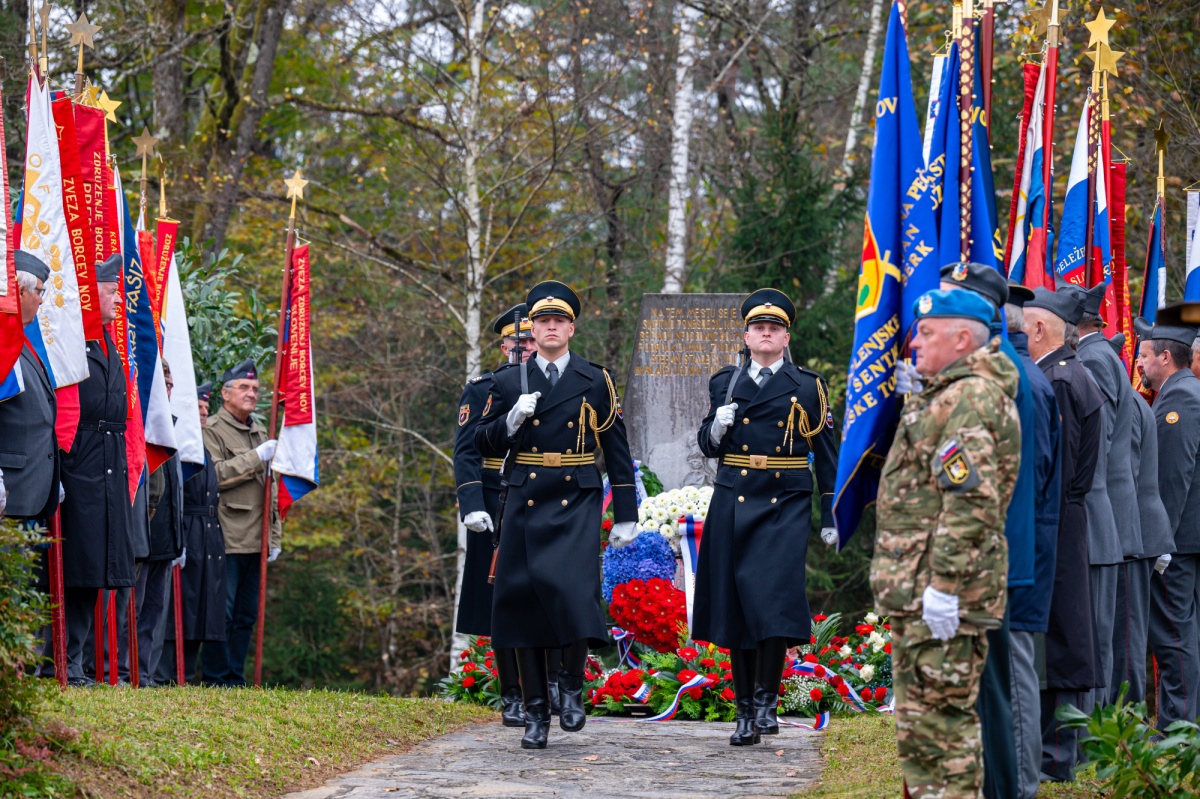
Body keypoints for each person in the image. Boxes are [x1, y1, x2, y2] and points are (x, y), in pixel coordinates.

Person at [474, 280, 638, 749]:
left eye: (558, 321)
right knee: (523, 601)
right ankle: (536, 711)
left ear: (570, 328)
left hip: (576, 497)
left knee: (570, 592)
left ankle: (570, 685)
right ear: (533, 329)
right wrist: (509, 422)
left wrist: (626, 510)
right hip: (525, 494)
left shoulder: (595, 378)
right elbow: (481, 442)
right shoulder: (508, 381)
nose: (550, 327)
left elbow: (617, 447)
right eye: (542, 321)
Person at [871, 288, 1020, 799]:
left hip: (942, 596)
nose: (913, 341)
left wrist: (944, 586)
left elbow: (970, 501)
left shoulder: (970, 398)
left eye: (927, 333)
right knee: (925, 736)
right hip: (921, 591)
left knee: (942, 737)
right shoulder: (949, 393)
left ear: (962, 338)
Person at [693, 288, 838, 747]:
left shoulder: (807, 385)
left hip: (785, 502)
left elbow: (826, 451)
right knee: (737, 605)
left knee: (772, 601)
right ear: (746, 335)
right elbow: (708, 443)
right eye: (758, 327)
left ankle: (766, 702)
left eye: (774, 328)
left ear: (785, 336)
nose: (766, 333)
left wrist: (831, 511)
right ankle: (743, 711)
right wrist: (717, 425)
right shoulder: (726, 383)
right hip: (734, 496)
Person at [934, 263, 1026, 799]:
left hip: (976, 565)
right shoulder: (986, 373)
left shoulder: (984, 384)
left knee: (985, 697)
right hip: (980, 560)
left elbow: (975, 491)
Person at [1022, 287, 1105, 782]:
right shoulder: (1068, 374)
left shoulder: (1059, 380)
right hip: (1064, 516)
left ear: (1039, 329)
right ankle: (1056, 752)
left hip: (1058, 518)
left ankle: (1056, 756)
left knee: (1060, 634)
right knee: (1059, 630)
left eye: (1023, 326)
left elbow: (1065, 464)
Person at [453, 304, 536, 726]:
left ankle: (548, 687)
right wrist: (471, 505)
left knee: (543, 594)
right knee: (500, 601)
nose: (523, 348)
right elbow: (466, 449)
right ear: (504, 345)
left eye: (529, 341)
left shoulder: (553, 383)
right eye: (515, 342)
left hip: (539, 498)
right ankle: (513, 695)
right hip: (493, 497)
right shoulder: (483, 387)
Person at [59, 253, 135, 686]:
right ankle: (61, 662)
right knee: (75, 567)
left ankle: (77, 661)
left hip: (107, 466)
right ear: (91, 294)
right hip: (80, 465)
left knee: (93, 571)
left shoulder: (109, 343)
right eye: (111, 291)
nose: (119, 299)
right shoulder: (73, 341)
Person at [1002, 283, 1061, 799]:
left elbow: (1031, 476)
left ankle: (1022, 783)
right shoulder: (1024, 376)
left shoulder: (1024, 382)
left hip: (1018, 549)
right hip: (1013, 546)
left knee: (1017, 667)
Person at [1065, 284, 1132, 711]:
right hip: (1099, 512)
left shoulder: (1093, 358)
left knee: (1096, 634)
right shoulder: (1102, 355)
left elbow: (1098, 439)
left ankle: (1097, 734)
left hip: (1094, 512)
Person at [1134, 307, 1200, 730]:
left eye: (1143, 355)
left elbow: (1173, 479)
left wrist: (1161, 544)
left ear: (1165, 358)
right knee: (1181, 635)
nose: (1138, 363)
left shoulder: (1180, 400)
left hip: (1178, 545)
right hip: (1186, 541)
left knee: (1174, 637)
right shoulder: (1184, 393)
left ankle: (1178, 727)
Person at [199, 358, 280, 686]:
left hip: (256, 538)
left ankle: (235, 677)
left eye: (256, 389)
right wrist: (256, 456)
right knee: (223, 612)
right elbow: (214, 475)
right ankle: (216, 677)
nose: (251, 394)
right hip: (227, 534)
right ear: (225, 393)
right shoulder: (214, 429)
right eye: (244, 388)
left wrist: (274, 537)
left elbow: (270, 493)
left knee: (247, 615)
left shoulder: (258, 430)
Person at [1115, 333, 1171, 705]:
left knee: (1136, 635)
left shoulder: (1132, 405)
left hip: (1139, 533)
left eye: (1145, 355)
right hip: (1141, 531)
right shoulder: (1140, 401)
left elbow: (1137, 476)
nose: (1138, 363)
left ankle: (1131, 720)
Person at [161, 382, 228, 683]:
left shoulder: (201, 445)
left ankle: (186, 674)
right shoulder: (179, 440)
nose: (203, 412)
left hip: (208, 535)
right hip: (189, 530)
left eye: (205, 408)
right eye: (198, 407)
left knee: (201, 610)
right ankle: (167, 674)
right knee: (181, 608)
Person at [1, 251, 60, 523]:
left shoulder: (23, 342)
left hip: (32, 490)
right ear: (19, 292)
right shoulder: (4, 341)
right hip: (12, 489)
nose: (41, 299)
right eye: (38, 291)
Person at [138, 360, 185, 685]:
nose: (167, 385)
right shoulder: (140, 422)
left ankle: (146, 673)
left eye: (169, 380)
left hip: (165, 534)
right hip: (142, 532)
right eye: (161, 380)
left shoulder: (169, 425)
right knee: (134, 610)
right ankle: (125, 671)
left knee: (154, 612)